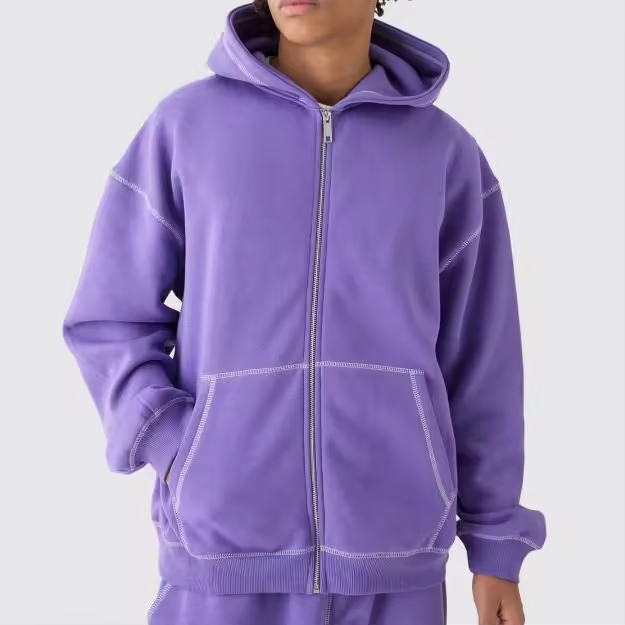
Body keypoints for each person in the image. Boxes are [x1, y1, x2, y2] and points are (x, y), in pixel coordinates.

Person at [63, 1, 546, 623]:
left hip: (395, 571)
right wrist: (177, 444)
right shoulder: (186, 130)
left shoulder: (445, 156)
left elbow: (483, 362)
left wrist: (496, 541)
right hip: (219, 566)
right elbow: (108, 319)